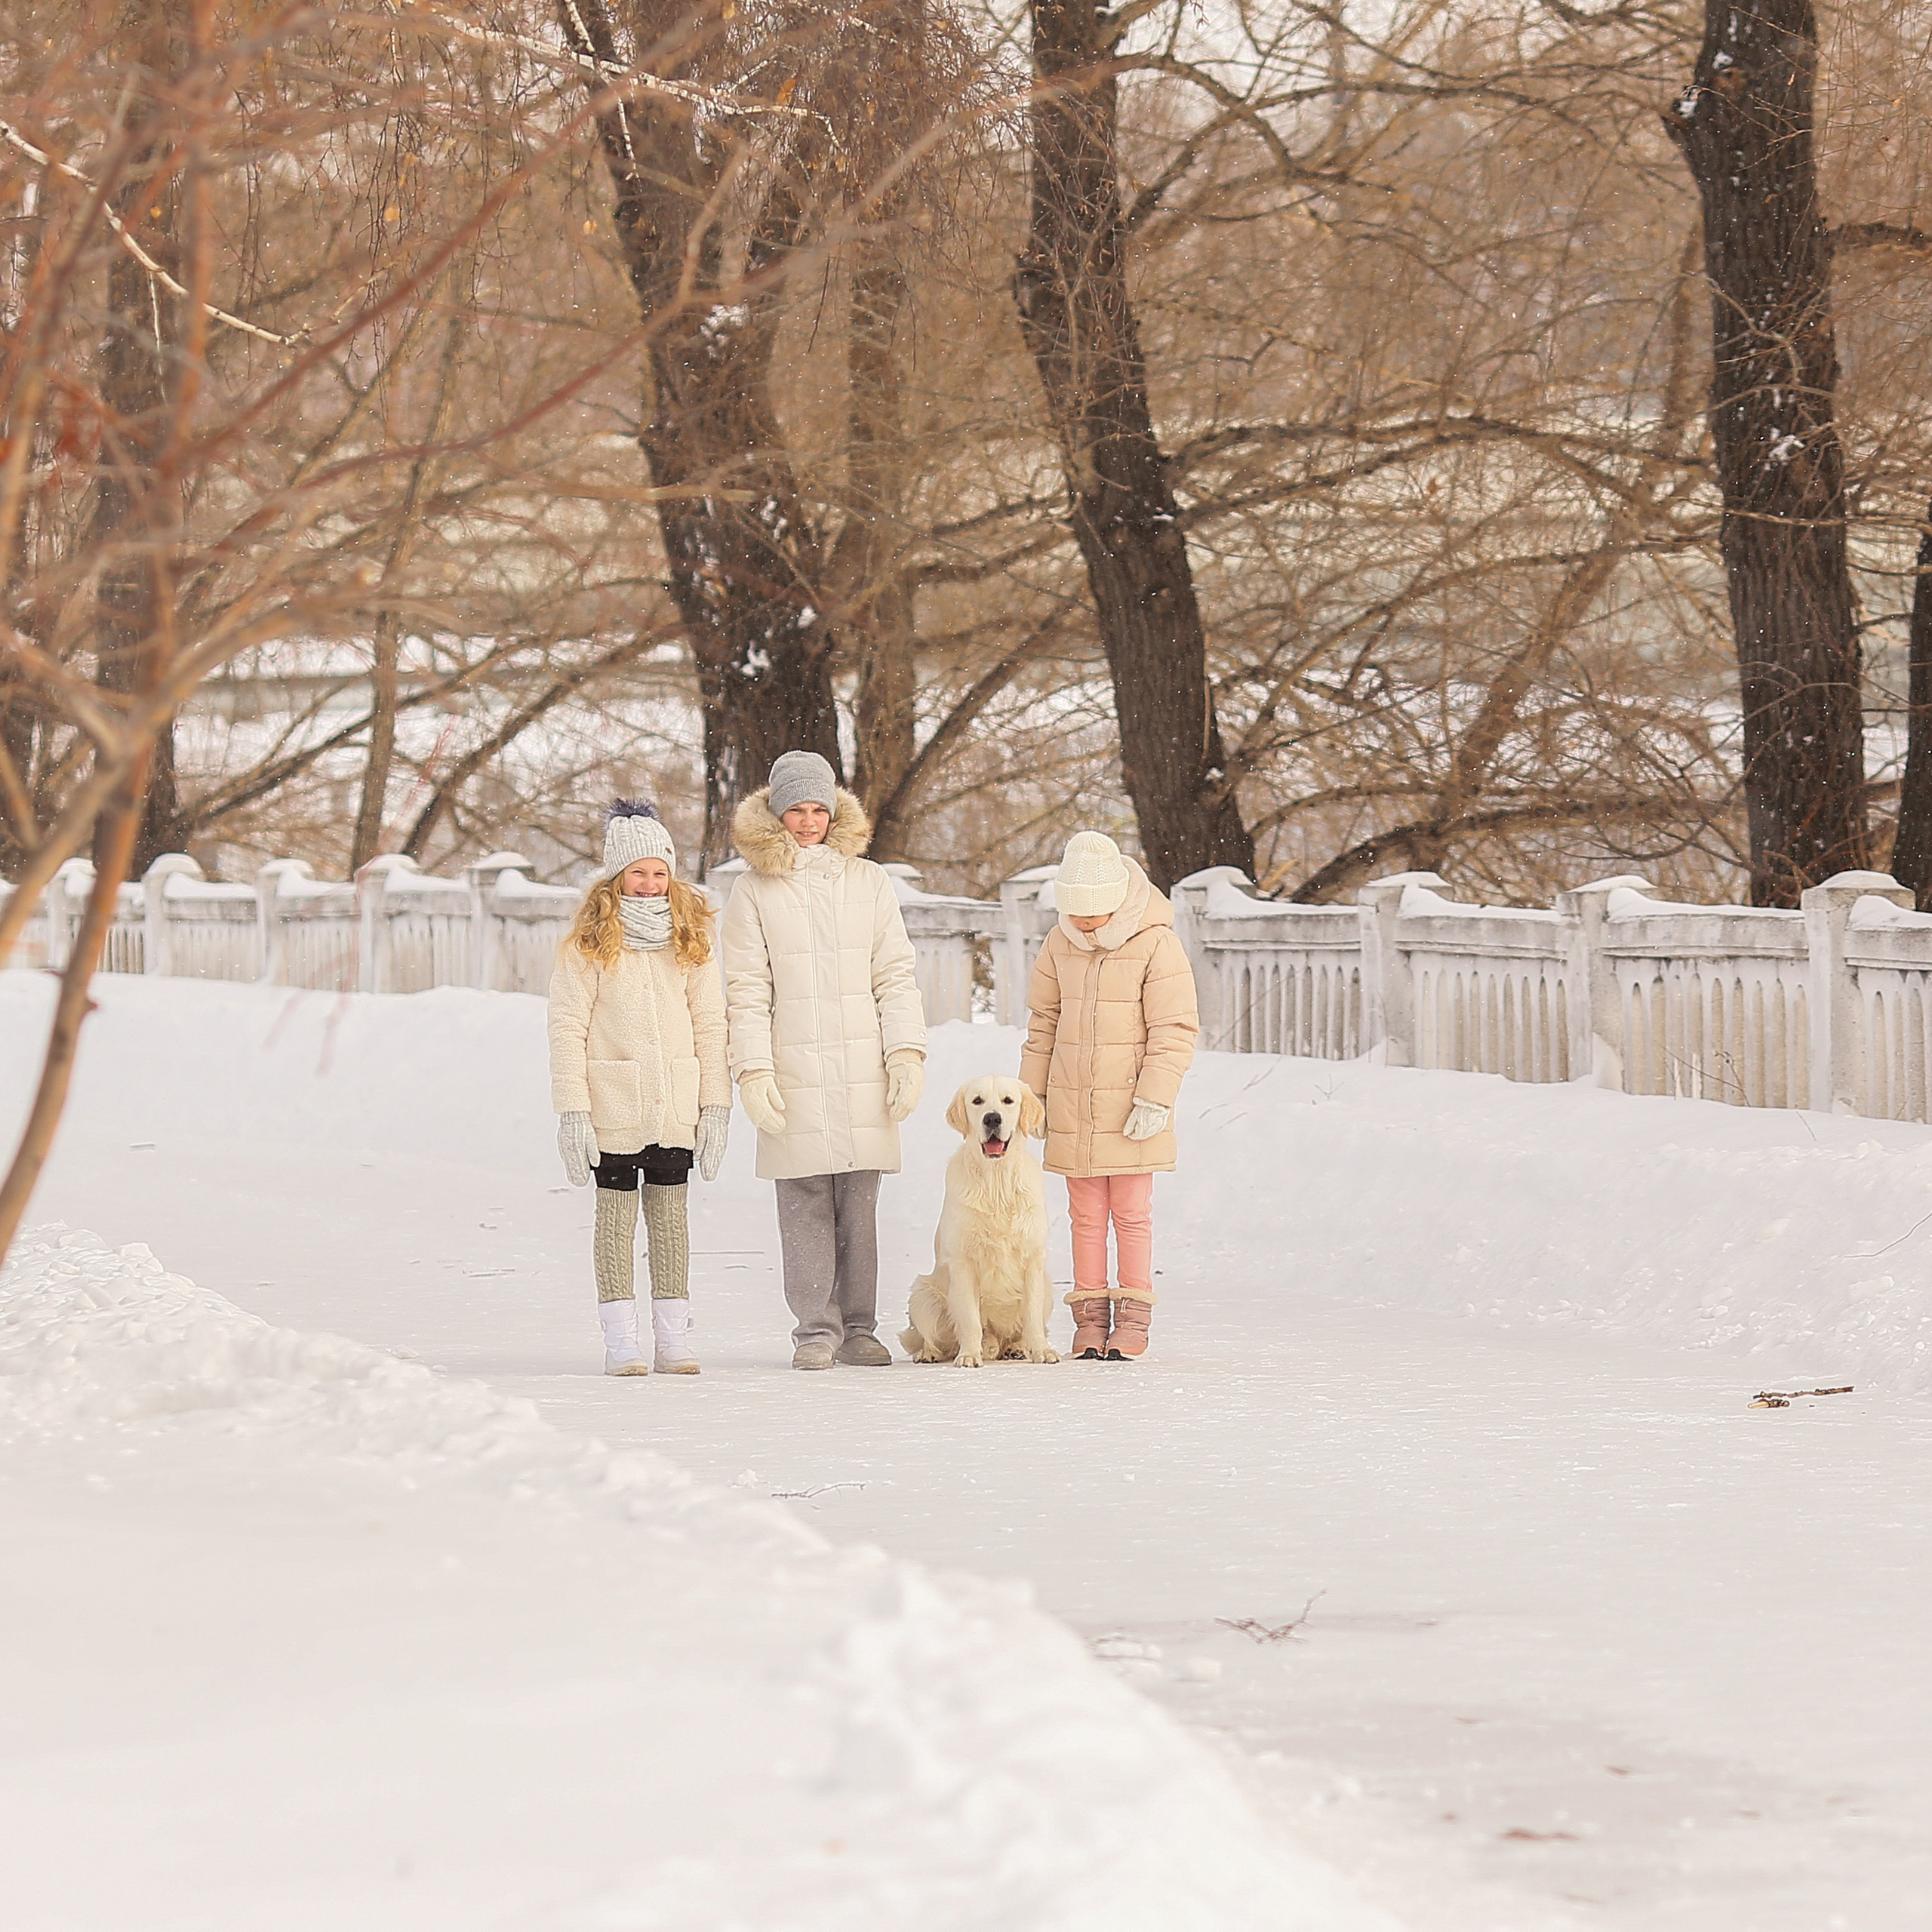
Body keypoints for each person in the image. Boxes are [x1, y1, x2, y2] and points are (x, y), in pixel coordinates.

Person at [720, 750, 927, 1370]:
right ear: (776, 814)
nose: (808, 821)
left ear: (834, 812)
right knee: (806, 1199)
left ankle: (860, 1327)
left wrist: (907, 1054)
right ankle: (815, 1330)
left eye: (818, 809)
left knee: (858, 1203)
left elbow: (895, 975)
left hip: (863, 1064)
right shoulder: (752, 890)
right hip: (793, 1069)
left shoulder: (868, 883)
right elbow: (746, 989)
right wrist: (753, 1070)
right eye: (796, 810)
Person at [548, 801, 730, 1376]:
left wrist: (715, 1105)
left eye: (659, 872)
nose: (650, 884)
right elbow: (567, 1027)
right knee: (616, 1221)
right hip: (615, 1105)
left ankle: (673, 1337)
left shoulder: (691, 939)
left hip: (675, 1105)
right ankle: (620, 1339)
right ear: (616, 876)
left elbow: (710, 1023)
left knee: (672, 1221)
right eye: (637, 873)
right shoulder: (589, 944)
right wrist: (573, 1111)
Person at [1020, 830, 1198, 1360]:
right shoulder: (1058, 944)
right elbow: (1043, 1022)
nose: (1083, 923)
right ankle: (1091, 1321)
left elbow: (1174, 1027)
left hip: (1131, 1106)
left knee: (1131, 1212)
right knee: (1085, 1215)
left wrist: (1155, 1098)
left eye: (1093, 912)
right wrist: (1035, 1097)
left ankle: (1134, 1319)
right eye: (1074, 912)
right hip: (1073, 1102)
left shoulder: (1157, 943)